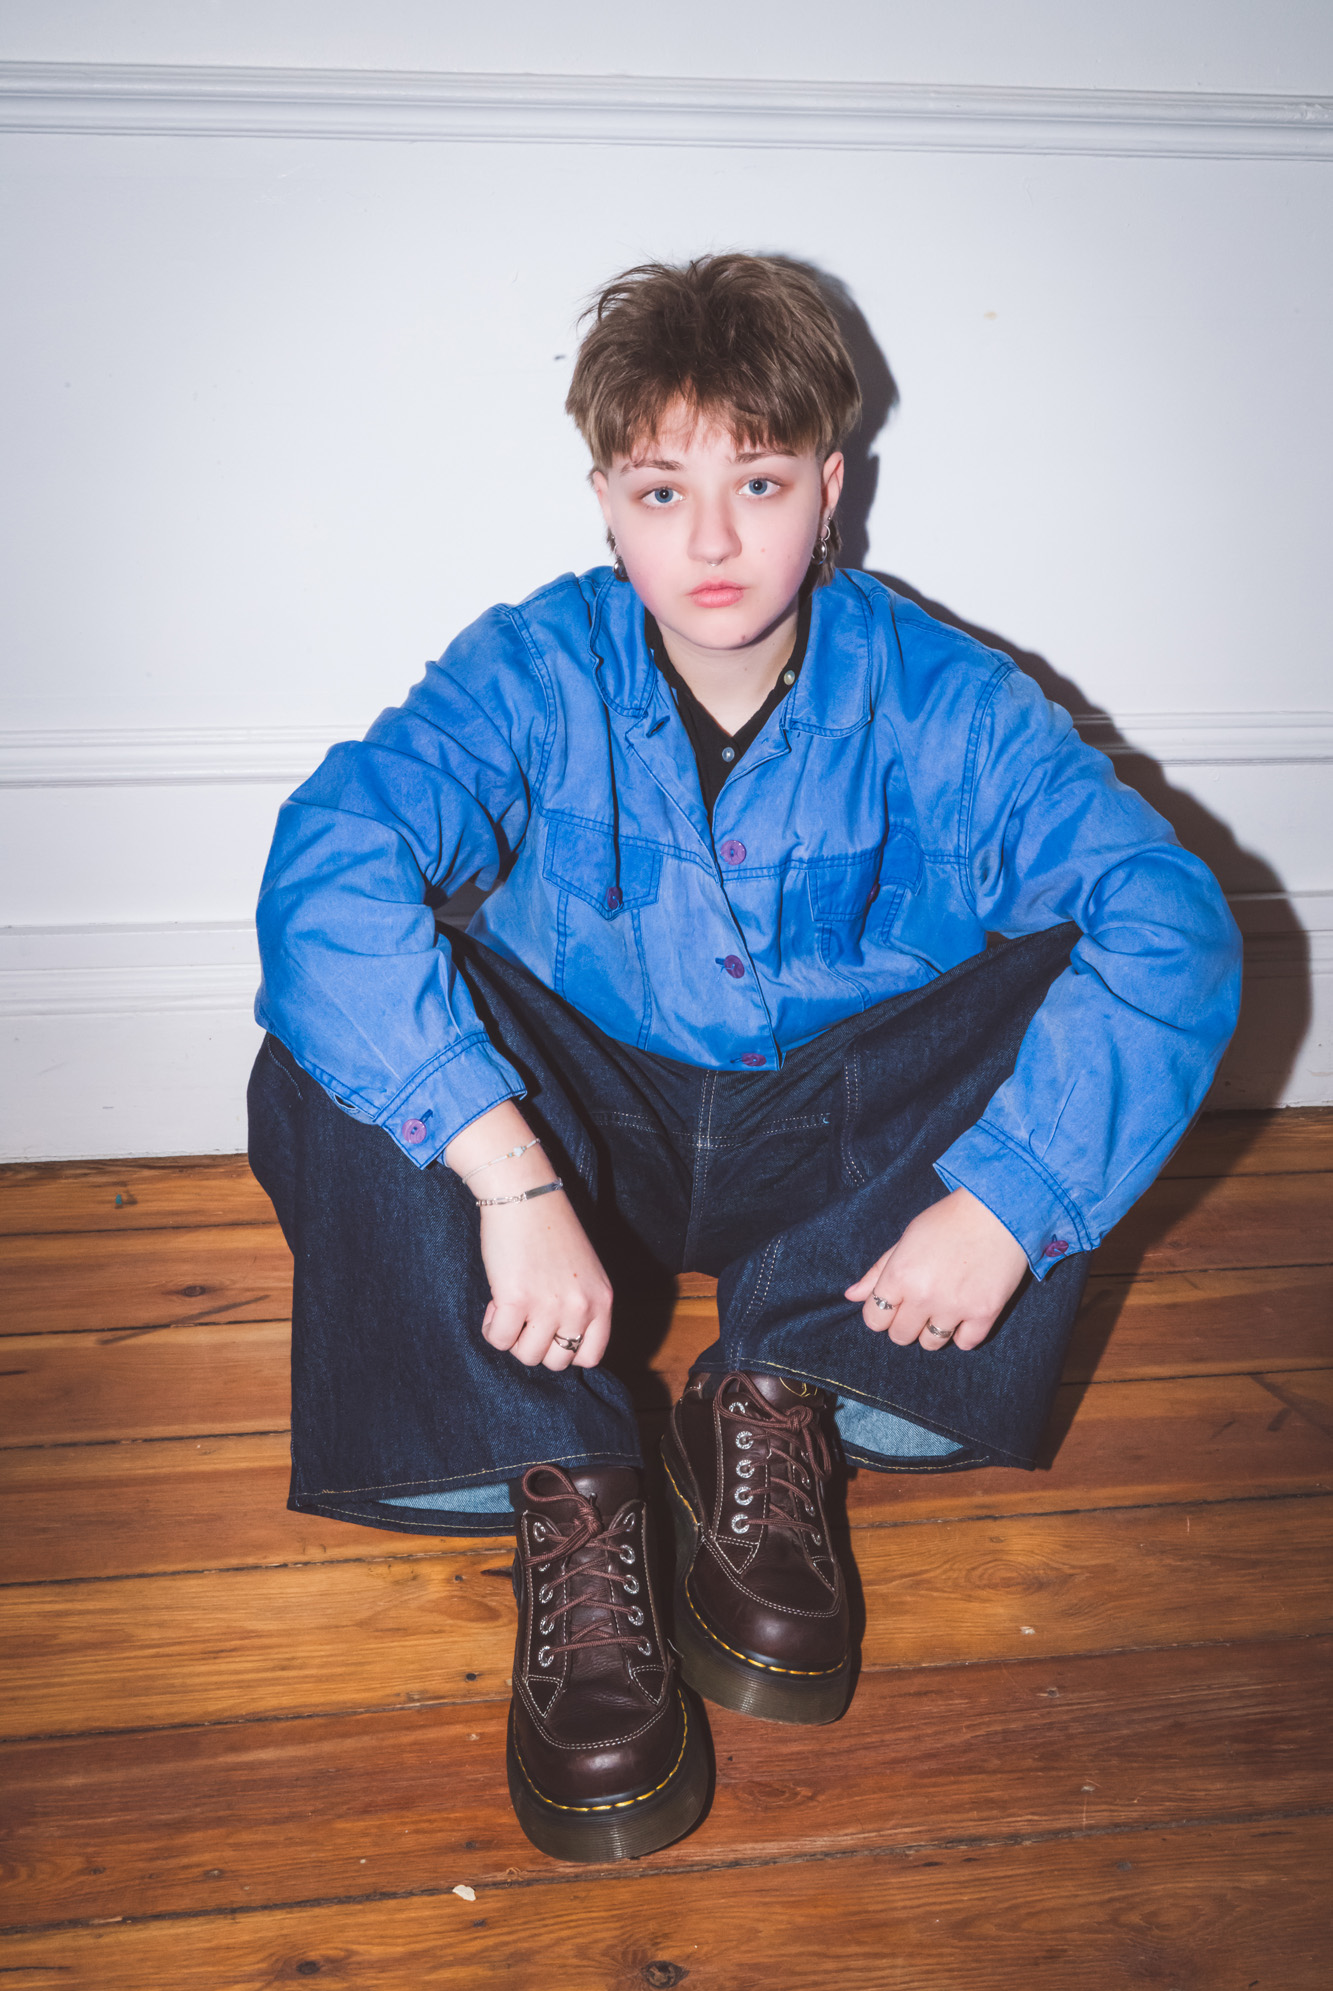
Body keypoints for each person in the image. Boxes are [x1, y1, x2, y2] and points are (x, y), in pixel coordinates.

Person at [248, 253, 1241, 1864]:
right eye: (663, 491)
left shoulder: (951, 700)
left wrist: (1012, 1198)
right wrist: (508, 1177)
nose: (710, 544)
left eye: (759, 484)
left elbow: (1169, 928)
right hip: (593, 1150)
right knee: (332, 1024)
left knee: (1084, 955)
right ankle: (569, 1478)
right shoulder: (528, 667)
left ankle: (779, 1392)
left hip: (839, 1164)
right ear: (605, 503)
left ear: (830, 491)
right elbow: (328, 871)